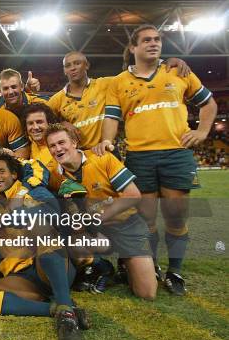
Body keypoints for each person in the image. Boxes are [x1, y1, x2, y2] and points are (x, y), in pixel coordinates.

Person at [95, 24, 217, 295]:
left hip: (176, 153)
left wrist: (203, 131)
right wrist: (107, 139)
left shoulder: (177, 71)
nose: (154, 43)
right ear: (133, 48)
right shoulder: (119, 82)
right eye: (147, 40)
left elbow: (208, 103)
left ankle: (175, 270)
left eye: (157, 39)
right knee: (146, 218)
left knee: (175, 214)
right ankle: (153, 266)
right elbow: (112, 117)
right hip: (140, 155)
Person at [0, 152, 87, 340]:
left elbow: (53, 215)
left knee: (43, 229)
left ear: (14, 174)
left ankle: (66, 315)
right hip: (21, 278)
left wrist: (18, 210)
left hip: (48, 265)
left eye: (1, 171)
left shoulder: (32, 191)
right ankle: (60, 310)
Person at [46, 123, 157, 299]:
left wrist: (99, 217)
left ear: (74, 143)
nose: (57, 149)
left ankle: (127, 262)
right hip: (95, 232)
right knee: (65, 237)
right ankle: (101, 266)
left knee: (146, 293)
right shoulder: (54, 174)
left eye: (61, 142)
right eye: (52, 145)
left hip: (126, 225)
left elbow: (133, 195)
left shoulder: (102, 158)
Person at [48, 51, 191, 150]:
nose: (73, 68)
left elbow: (136, 73)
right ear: (64, 70)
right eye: (68, 65)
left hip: (106, 150)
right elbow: (41, 119)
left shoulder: (107, 84)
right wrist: (62, 123)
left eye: (77, 63)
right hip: (78, 154)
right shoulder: (57, 99)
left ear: (87, 65)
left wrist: (165, 63)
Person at [22, 103, 58, 169]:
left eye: (39, 122)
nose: (35, 127)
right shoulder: (31, 141)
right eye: (30, 123)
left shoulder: (59, 147)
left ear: (49, 123)